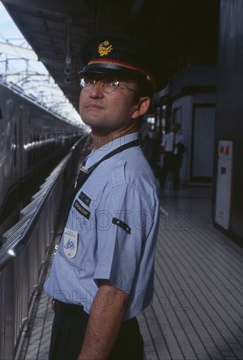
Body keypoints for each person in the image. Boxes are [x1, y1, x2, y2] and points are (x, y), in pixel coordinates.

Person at [43, 33, 162, 359]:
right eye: (90, 80)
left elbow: (112, 292)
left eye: (112, 84)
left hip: (93, 332)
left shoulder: (122, 182)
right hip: (79, 325)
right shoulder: (104, 163)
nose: (94, 91)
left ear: (140, 106)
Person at [160, 123, 185, 190]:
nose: (174, 129)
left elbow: (181, 145)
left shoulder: (181, 136)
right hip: (168, 154)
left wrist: (177, 145)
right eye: (173, 127)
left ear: (178, 129)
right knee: (165, 170)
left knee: (176, 171)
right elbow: (163, 145)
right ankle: (162, 184)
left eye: (176, 127)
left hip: (176, 155)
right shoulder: (166, 136)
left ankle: (176, 186)